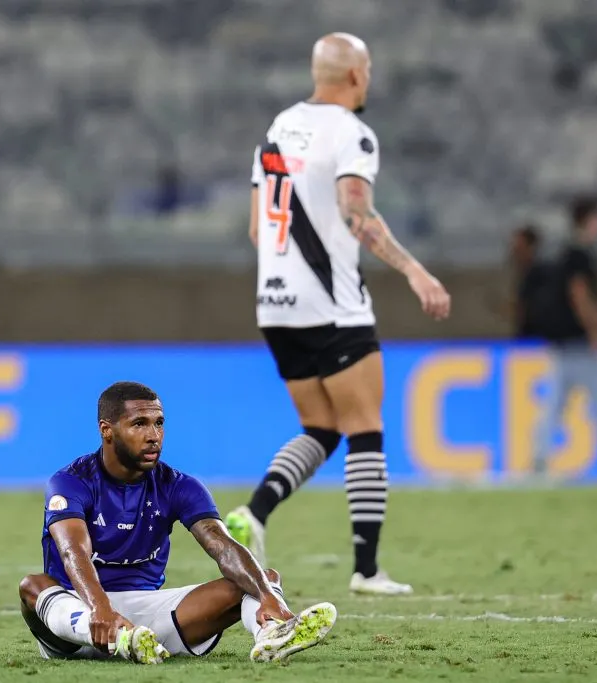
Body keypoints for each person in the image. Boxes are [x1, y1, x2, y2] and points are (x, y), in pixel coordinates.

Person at [224, 33, 451, 595]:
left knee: (322, 428)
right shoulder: (352, 133)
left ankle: (252, 514)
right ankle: (367, 570)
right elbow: (356, 211)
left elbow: (258, 228)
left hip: (275, 304)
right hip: (333, 305)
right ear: (355, 75)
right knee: (365, 427)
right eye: (367, 70)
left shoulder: (278, 128)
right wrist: (415, 271)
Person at [18, 381, 337, 665]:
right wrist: (99, 610)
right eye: (139, 424)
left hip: (146, 618)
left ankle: (272, 632)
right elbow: (73, 550)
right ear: (107, 430)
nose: (154, 436)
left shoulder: (179, 485)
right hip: (75, 616)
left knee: (261, 579)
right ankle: (118, 639)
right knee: (33, 586)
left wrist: (266, 595)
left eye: (159, 423)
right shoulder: (71, 482)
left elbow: (221, 545)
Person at [534, 195, 597, 473]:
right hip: (580, 344)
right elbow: (579, 294)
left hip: (564, 343)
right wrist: (596, 329)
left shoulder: (567, 253)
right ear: (588, 219)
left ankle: (539, 459)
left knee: (555, 405)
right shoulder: (580, 255)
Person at [508, 224, 550, 340]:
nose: (514, 249)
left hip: (536, 338)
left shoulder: (539, 274)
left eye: (518, 245)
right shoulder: (525, 274)